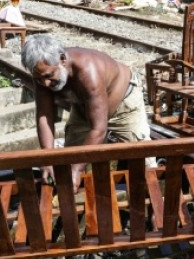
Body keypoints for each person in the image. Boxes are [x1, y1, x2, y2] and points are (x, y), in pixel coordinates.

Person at [21, 34, 152, 189]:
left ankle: (157, 204)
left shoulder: (88, 71)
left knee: (142, 158)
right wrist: (47, 159)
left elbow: (98, 129)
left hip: (124, 105)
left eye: (49, 76)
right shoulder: (43, 74)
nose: (45, 83)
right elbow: (44, 116)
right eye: (39, 79)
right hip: (84, 106)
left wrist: (77, 169)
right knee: (70, 157)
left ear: (62, 60)